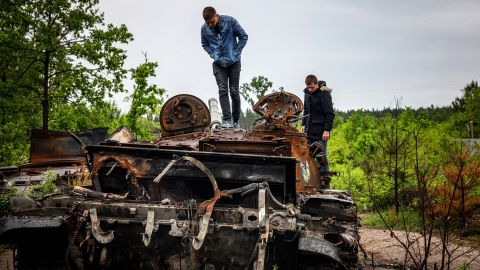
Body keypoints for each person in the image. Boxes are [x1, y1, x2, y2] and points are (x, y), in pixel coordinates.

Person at [201, 6, 248, 128]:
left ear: (216, 16)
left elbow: (244, 36)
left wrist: (236, 53)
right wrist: (213, 54)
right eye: (208, 22)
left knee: (234, 91)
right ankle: (227, 121)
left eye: (212, 21)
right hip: (218, 64)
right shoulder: (204, 29)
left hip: (234, 63)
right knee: (222, 90)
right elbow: (204, 44)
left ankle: (236, 121)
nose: (210, 24)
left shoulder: (230, 21)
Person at [301, 74, 335, 176]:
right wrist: (303, 125)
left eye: (312, 87)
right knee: (306, 155)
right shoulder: (306, 94)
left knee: (321, 156)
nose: (310, 89)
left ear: (317, 84)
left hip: (321, 132)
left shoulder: (324, 94)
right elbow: (306, 111)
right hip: (309, 131)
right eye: (308, 87)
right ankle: (309, 181)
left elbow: (330, 114)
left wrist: (327, 130)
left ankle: (325, 181)